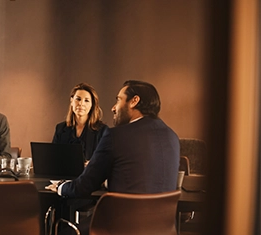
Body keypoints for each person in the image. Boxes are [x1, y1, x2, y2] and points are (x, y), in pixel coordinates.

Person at [47, 80, 180, 234]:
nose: (113, 108)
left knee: (62, 232)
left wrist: (61, 187)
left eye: (118, 100)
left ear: (134, 101)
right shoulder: (172, 137)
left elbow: (83, 187)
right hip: (162, 229)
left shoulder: (115, 136)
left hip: (121, 227)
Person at [52, 83, 108, 162]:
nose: (81, 103)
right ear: (71, 101)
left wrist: (92, 164)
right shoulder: (60, 128)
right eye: (78, 99)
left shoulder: (103, 130)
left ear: (92, 105)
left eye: (86, 100)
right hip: (64, 174)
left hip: (90, 173)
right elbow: (53, 158)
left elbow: (106, 161)